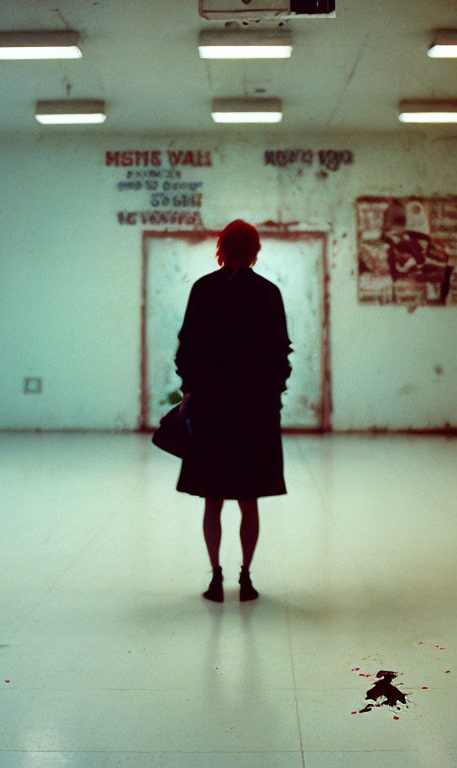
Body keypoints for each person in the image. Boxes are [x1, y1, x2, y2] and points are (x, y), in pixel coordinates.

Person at [174, 219, 292, 602]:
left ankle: (215, 579)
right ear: (255, 251)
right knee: (249, 497)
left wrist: (190, 390)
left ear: (221, 249)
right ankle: (246, 578)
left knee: (213, 497)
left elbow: (186, 348)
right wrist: (272, 396)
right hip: (254, 411)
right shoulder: (269, 293)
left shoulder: (203, 290)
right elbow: (280, 354)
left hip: (211, 408)